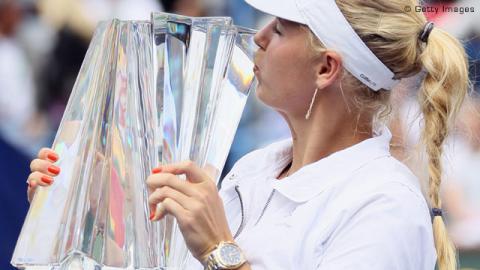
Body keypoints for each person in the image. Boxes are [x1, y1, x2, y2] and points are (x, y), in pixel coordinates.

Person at [26, 0, 471, 269]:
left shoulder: (385, 203)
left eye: (279, 28)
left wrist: (221, 252)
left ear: (326, 68)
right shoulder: (255, 170)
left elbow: (219, 258)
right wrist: (86, 214)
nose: (259, 36)